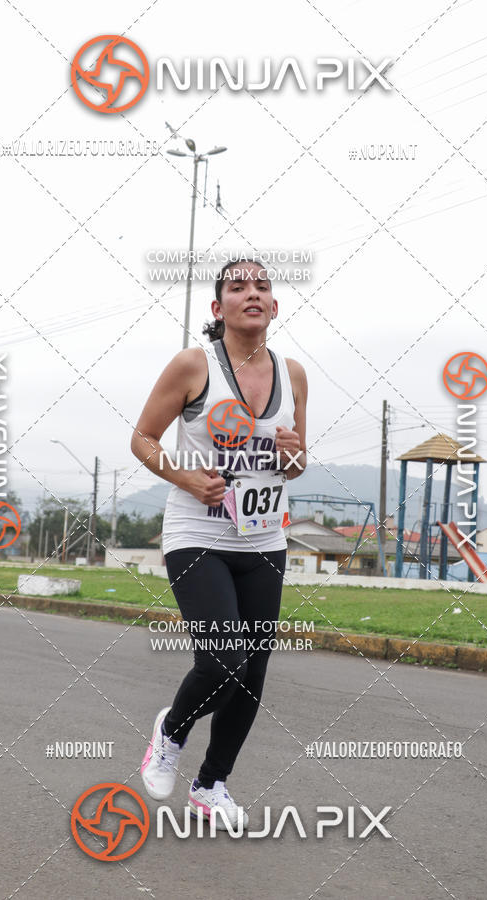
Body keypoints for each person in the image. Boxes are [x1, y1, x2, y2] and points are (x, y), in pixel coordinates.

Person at [131, 257, 307, 828]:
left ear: (274, 307)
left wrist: (292, 457)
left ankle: (211, 785)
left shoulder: (294, 374)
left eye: (262, 287)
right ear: (218, 308)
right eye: (237, 287)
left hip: (263, 540)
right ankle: (170, 733)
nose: (251, 293)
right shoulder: (192, 364)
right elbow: (142, 438)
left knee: (253, 672)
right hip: (197, 534)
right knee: (225, 658)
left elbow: (297, 463)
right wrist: (185, 476)